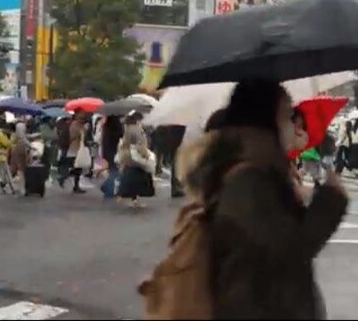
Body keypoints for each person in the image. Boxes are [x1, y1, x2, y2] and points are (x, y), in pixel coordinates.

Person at [145, 79, 347, 319]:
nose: (293, 125)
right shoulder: (249, 181)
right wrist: (331, 200)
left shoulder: (256, 171)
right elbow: (288, 254)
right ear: (266, 121)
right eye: (287, 114)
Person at [116, 111, 155, 207]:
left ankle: (129, 198)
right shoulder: (137, 129)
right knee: (137, 180)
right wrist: (144, 153)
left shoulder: (128, 129)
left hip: (129, 156)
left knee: (130, 178)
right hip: (136, 157)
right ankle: (133, 199)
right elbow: (140, 143)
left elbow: (126, 143)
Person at [57, 111, 86, 194]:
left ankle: (75, 185)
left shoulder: (80, 125)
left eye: (83, 119)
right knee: (76, 167)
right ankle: (64, 178)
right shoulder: (74, 125)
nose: (82, 120)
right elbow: (72, 137)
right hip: (74, 149)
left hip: (79, 149)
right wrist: (81, 132)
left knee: (78, 168)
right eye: (81, 118)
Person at [100, 115, 124, 199]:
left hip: (106, 151)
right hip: (113, 151)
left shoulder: (106, 126)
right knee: (115, 171)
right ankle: (107, 188)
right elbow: (120, 135)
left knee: (113, 170)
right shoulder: (116, 125)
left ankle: (107, 188)